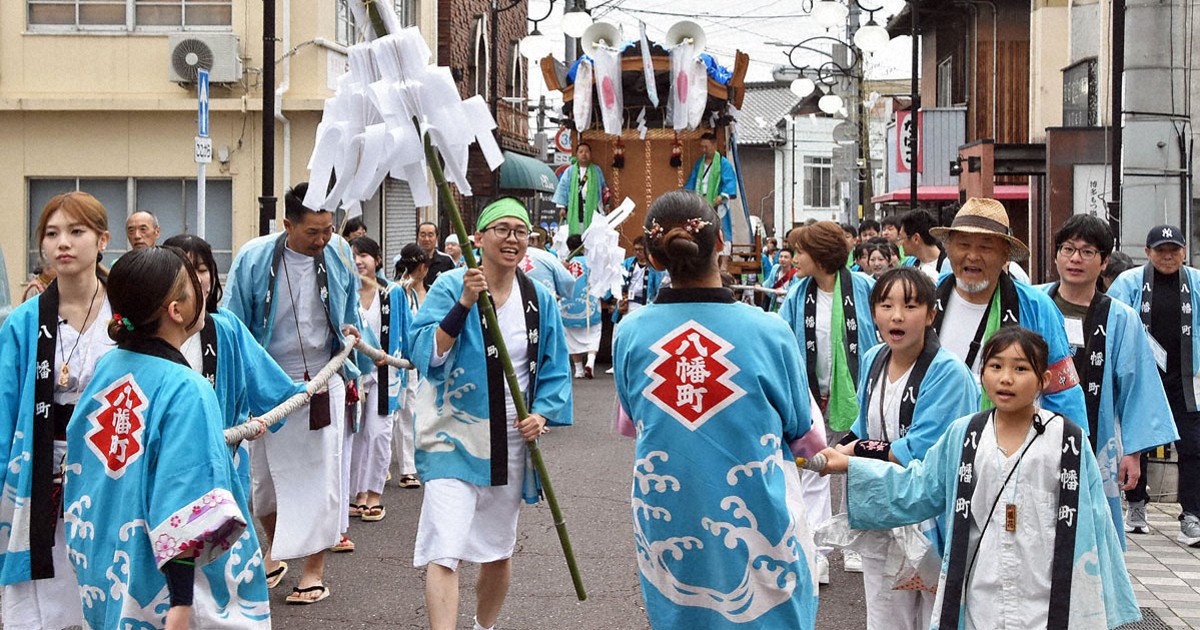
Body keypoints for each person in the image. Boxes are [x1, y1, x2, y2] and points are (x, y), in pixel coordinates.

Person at [817, 326, 1141, 629]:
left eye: (1020, 369)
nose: (1006, 379)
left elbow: (1094, 526)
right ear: (982, 373)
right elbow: (918, 487)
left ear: (1043, 379)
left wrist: (1101, 602)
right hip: (981, 594)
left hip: (1047, 596)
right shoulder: (965, 435)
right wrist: (851, 466)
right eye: (996, 366)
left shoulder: (1068, 442)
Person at [612, 190, 819, 627]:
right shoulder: (769, 330)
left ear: (653, 258)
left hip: (670, 513)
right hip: (757, 514)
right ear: (721, 243)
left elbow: (632, 421)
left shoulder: (629, 333)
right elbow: (802, 429)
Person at [64, 246, 262, 628]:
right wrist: (182, 601)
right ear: (178, 310)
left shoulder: (107, 367)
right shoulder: (187, 388)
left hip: (103, 554)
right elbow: (185, 496)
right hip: (164, 578)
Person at [409, 197, 573, 630]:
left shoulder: (538, 299)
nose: (512, 239)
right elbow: (424, 352)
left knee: (497, 550)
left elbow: (555, 369)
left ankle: (485, 626)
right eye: (501, 229)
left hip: (512, 437)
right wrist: (463, 302)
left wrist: (541, 414)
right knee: (446, 547)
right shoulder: (449, 285)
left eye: (520, 231)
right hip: (453, 432)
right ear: (478, 238)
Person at [224, 182, 367, 604]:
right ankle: (276, 549)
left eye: (328, 230)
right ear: (287, 224)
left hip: (324, 378)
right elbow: (234, 324)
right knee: (264, 484)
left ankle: (314, 570)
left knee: (322, 478)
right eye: (313, 233)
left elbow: (349, 309)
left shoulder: (338, 252)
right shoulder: (253, 258)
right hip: (268, 382)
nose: (322, 239)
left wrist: (351, 334)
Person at [163, 233, 305, 603]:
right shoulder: (151, 334)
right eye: (184, 271)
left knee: (223, 557)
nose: (196, 279)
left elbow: (266, 378)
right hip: (164, 464)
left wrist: (303, 393)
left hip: (222, 459)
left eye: (202, 269)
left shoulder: (225, 327)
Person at [837, 267, 978, 630]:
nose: (897, 316)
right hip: (883, 508)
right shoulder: (872, 359)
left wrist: (848, 457)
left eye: (911, 306)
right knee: (885, 618)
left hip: (933, 513)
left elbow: (922, 449)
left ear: (932, 314)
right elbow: (861, 427)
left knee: (938, 616)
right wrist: (834, 449)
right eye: (886, 305)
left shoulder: (949, 373)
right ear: (873, 313)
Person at [0, 192, 113, 630]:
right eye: (52, 234)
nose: (62, 243)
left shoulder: (127, 315)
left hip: (109, 470)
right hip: (40, 471)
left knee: (105, 581)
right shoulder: (24, 322)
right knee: (42, 597)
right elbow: (6, 406)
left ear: (102, 240)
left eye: (76, 231)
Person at [1035, 216, 1177, 544]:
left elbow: (1137, 385)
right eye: (1068, 249)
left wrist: (1134, 453)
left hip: (1096, 440)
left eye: (1087, 252)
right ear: (1056, 254)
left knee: (1092, 533)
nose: (1075, 259)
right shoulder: (1033, 302)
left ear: (1104, 262)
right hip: (1031, 430)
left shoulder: (1120, 317)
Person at [928, 197, 1088, 423]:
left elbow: (1062, 391)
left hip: (1011, 446)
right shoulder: (927, 299)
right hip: (933, 441)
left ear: (1005, 255)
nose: (972, 256)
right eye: (963, 244)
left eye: (985, 247)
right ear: (948, 248)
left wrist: (1069, 447)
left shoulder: (1036, 307)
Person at [777, 220, 877, 574]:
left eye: (801, 251)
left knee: (857, 467)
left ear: (819, 255)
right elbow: (784, 343)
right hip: (811, 395)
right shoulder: (796, 295)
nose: (794, 258)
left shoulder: (864, 288)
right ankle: (816, 550)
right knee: (814, 469)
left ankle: (854, 541)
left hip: (857, 395)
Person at [1108, 224, 1200, 546]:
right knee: (1137, 440)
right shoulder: (1129, 283)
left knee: (1193, 445)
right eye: (1160, 250)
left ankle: (1192, 515)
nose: (1167, 256)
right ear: (1147, 253)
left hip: (1186, 378)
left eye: (1174, 250)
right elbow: (1113, 322)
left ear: (1184, 252)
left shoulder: (1197, 283)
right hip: (1143, 373)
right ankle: (1136, 505)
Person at [349, 236, 412, 522]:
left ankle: (374, 492)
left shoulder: (393, 293)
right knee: (355, 436)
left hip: (386, 372)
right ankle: (356, 492)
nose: (359, 261)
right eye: (354, 256)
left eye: (365, 255)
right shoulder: (345, 291)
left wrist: (412, 358)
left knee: (378, 432)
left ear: (377, 259)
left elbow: (406, 330)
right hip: (354, 373)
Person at [392, 243, 429, 489]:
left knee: (408, 414)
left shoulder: (413, 294)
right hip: (394, 361)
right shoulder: (395, 292)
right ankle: (381, 466)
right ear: (423, 268)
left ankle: (407, 468)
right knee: (390, 417)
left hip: (410, 365)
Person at [684, 133, 739, 243]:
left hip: (716, 202)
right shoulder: (699, 163)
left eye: (706, 147)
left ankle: (723, 257)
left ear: (714, 145)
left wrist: (722, 196)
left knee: (720, 229)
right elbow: (692, 181)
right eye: (702, 147)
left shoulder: (723, 163)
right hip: (700, 201)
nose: (704, 150)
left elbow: (729, 182)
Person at [561, 235, 602, 379]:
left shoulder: (564, 263)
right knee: (594, 334)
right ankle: (590, 361)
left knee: (571, 338)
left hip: (568, 307)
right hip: (589, 305)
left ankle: (578, 369)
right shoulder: (591, 262)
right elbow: (600, 281)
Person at [553, 141, 609, 236]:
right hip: (575, 207)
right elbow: (562, 187)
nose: (584, 154)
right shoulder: (570, 171)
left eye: (586, 152)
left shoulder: (596, 170)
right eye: (581, 152)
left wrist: (607, 204)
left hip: (593, 207)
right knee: (576, 234)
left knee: (592, 235)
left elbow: (604, 188)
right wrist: (562, 207)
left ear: (590, 155)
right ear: (577, 154)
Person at [898, 209, 950, 280]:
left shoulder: (949, 266)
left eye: (901, 239)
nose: (900, 244)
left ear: (916, 238)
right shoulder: (908, 265)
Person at [418, 221, 457, 288]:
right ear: (417, 237)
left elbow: (454, 284)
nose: (426, 239)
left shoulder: (446, 260)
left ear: (436, 238)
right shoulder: (408, 259)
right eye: (423, 235)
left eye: (430, 235)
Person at [761, 246, 799, 311]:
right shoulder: (775, 268)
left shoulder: (796, 274)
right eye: (781, 256)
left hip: (788, 307)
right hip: (775, 305)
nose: (782, 259)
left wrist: (785, 291)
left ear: (792, 259)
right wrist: (760, 286)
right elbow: (768, 284)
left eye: (786, 257)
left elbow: (796, 290)